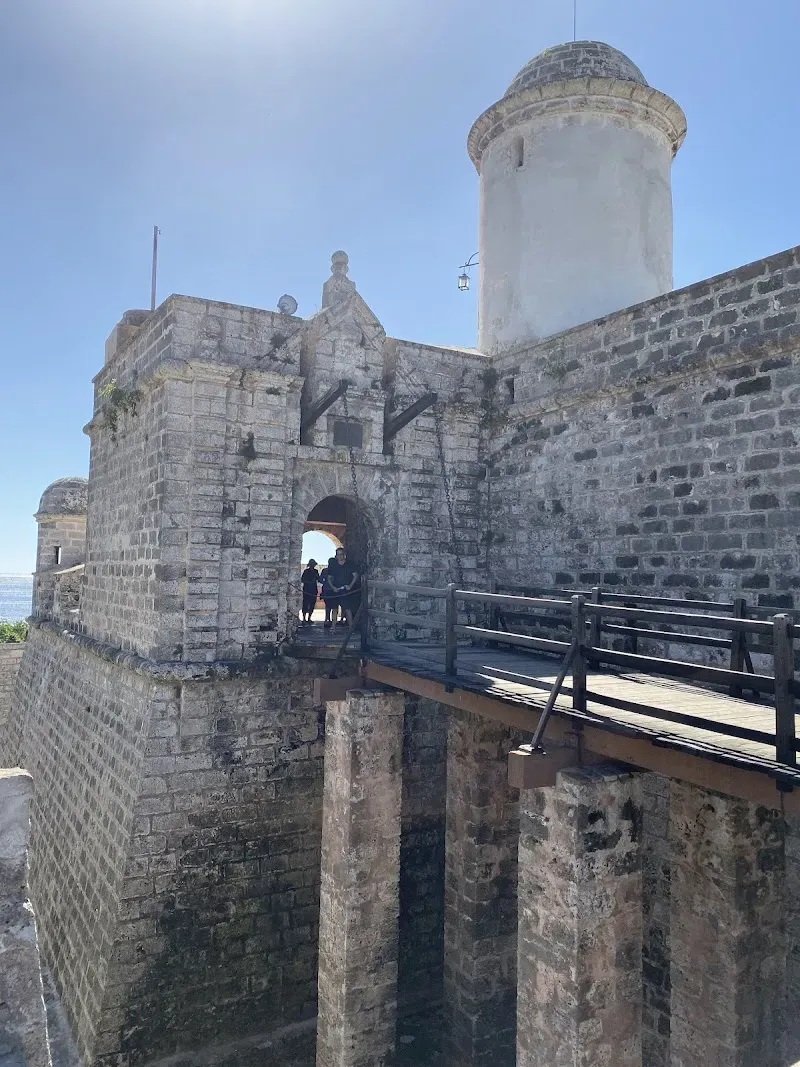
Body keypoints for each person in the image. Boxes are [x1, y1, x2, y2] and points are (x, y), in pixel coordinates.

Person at [325, 546, 361, 628]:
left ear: (344, 555)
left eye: (341, 554)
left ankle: (351, 627)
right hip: (336, 590)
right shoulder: (333, 565)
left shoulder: (350, 564)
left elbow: (355, 575)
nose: (340, 556)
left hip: (345, 590)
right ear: (336, 556)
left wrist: (350, 586)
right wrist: (333, 587)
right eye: (338, 555)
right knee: (334, 609)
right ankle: (333, 627)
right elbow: (329, 578)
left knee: (347, 608)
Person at [320, 557, 339, 630]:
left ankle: (328, 620)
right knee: (333, 607)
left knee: (329, 606)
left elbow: (321, 580)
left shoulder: (325, 570)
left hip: (328, 591)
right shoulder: (334, 571)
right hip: (331, 591)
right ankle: (330, 622)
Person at [300, 559, 320, 625]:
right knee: (305, 604)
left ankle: (309, 618)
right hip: (307, 590)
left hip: (313, 590)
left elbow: (318, 579)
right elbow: (302, 580)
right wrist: (309, 582)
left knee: (312, 604)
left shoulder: (316, 571)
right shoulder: (306, 571)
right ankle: (304, 618)